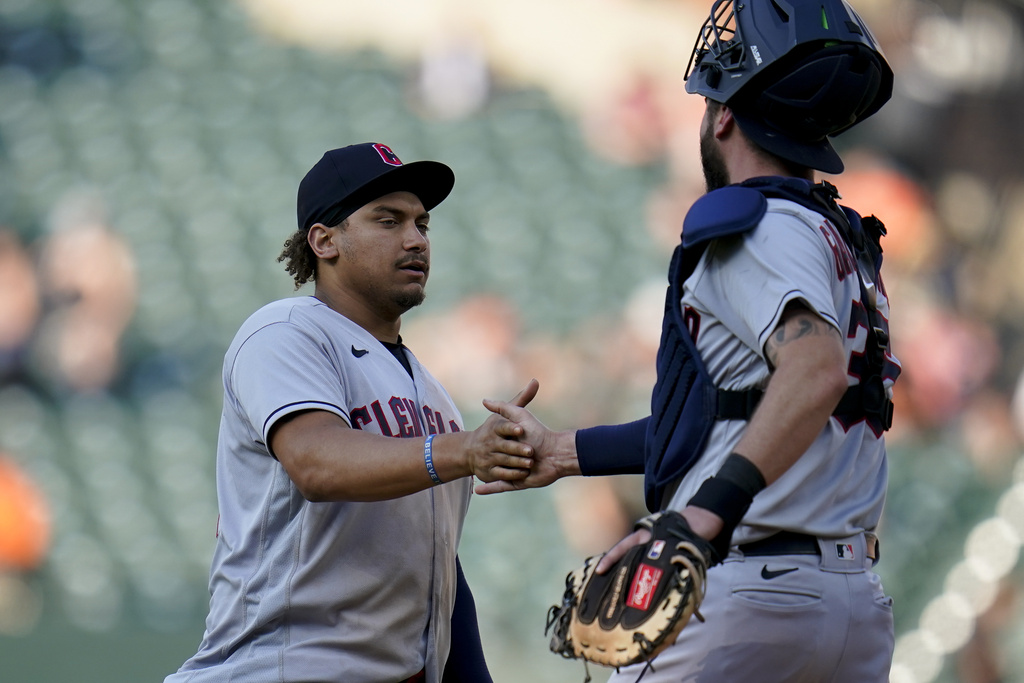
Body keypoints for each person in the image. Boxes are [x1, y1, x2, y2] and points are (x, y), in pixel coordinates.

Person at [480, 0, 902, 680]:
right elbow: (731, 418)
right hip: (851, 600)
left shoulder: (760, 222)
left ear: (724, 114)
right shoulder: (840, 239)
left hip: (750, 590)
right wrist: (564, 451)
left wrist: (701, 517)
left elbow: (815, 370)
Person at [165, 142, 537, 683]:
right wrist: (465, 449)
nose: (415, 239)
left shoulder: (432, 393)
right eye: (388, 220)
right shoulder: (286, 332)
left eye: (422, 224)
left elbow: (437, 570)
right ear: (324, 240)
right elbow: (317, 464)